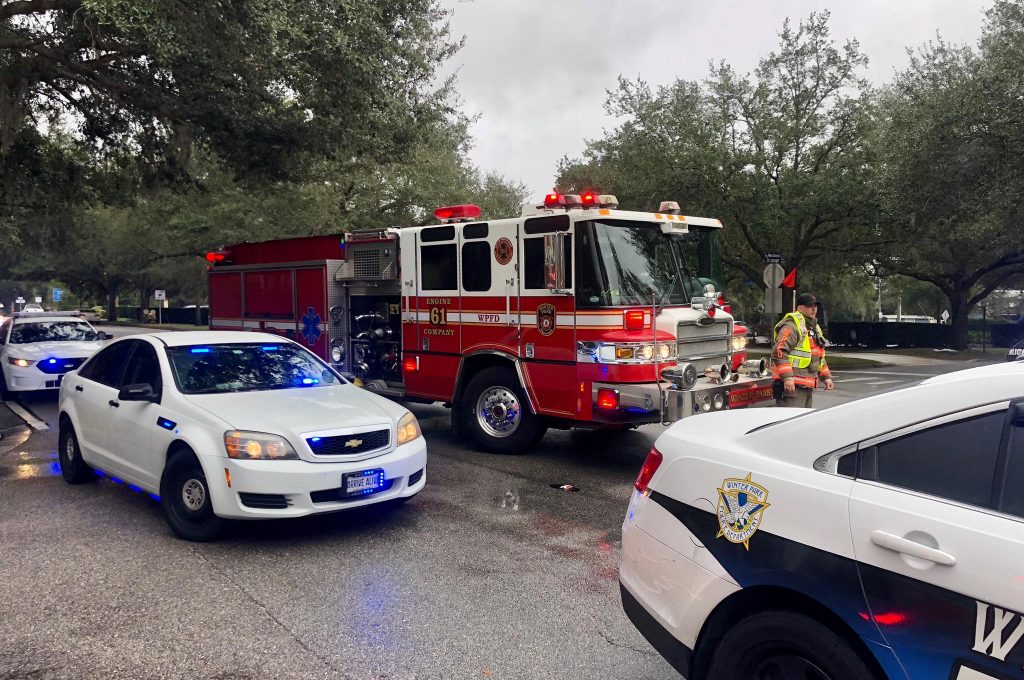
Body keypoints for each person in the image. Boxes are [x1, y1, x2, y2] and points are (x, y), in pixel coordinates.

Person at [771, 292, 833, 408]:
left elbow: (819, 356)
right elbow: (779, 351)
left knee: (802, 422)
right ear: (799, 307)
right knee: (790, 422)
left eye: (815, 306)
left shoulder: (815, 328)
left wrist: (826, 377)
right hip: (791, 386)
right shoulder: (791, 326)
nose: (813, 309)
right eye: (809, 306)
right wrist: (788, 377)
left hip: (806, 386)